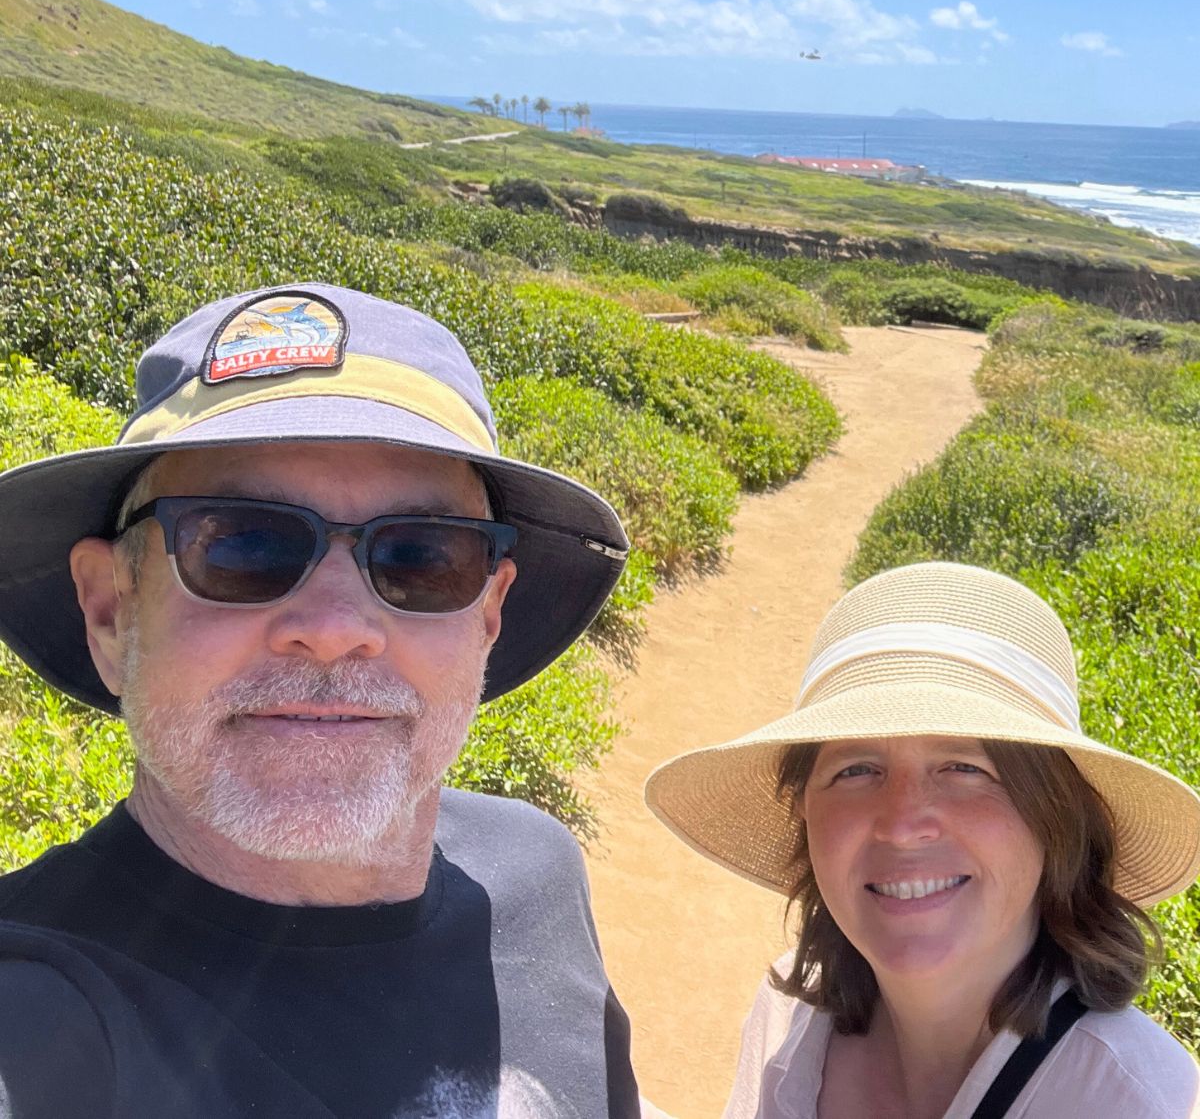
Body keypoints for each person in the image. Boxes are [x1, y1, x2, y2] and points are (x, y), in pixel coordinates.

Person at [0, 282, 640, 1119]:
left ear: (488, 615)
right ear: (111, 611)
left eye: (421, 556)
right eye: (242, 544)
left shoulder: (537, 870)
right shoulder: (39, 1013)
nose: (336, 629)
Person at [645, 561, 1200, 1119]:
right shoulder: (788, 1017)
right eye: (856, 770)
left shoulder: (1138, 1102)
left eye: (964, 767)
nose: (902, 824)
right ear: (804, 812)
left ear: (1057, 820)